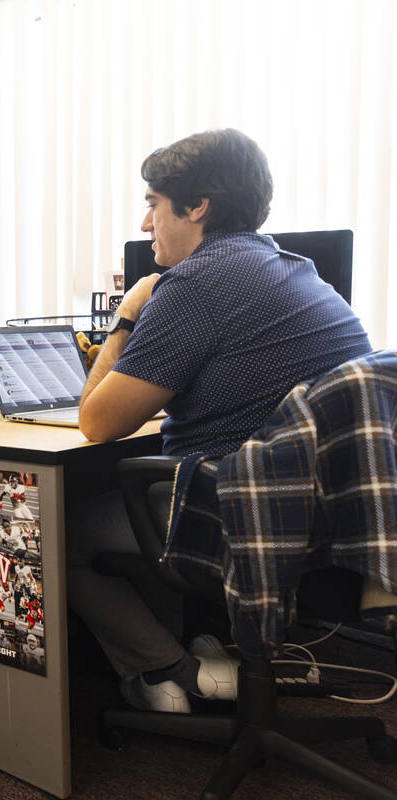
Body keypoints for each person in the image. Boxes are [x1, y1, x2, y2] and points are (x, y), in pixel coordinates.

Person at [72, 128, 373, 713]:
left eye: (152, 204)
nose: (144, 224)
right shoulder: (298, 271)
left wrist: (130, 313)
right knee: (123, 491)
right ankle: (182, 658)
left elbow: (96, 422)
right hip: (330, 514)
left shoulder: (194, 285)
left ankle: (177, 670)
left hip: (245, 517)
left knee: (56, 528)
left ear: (197, 206)